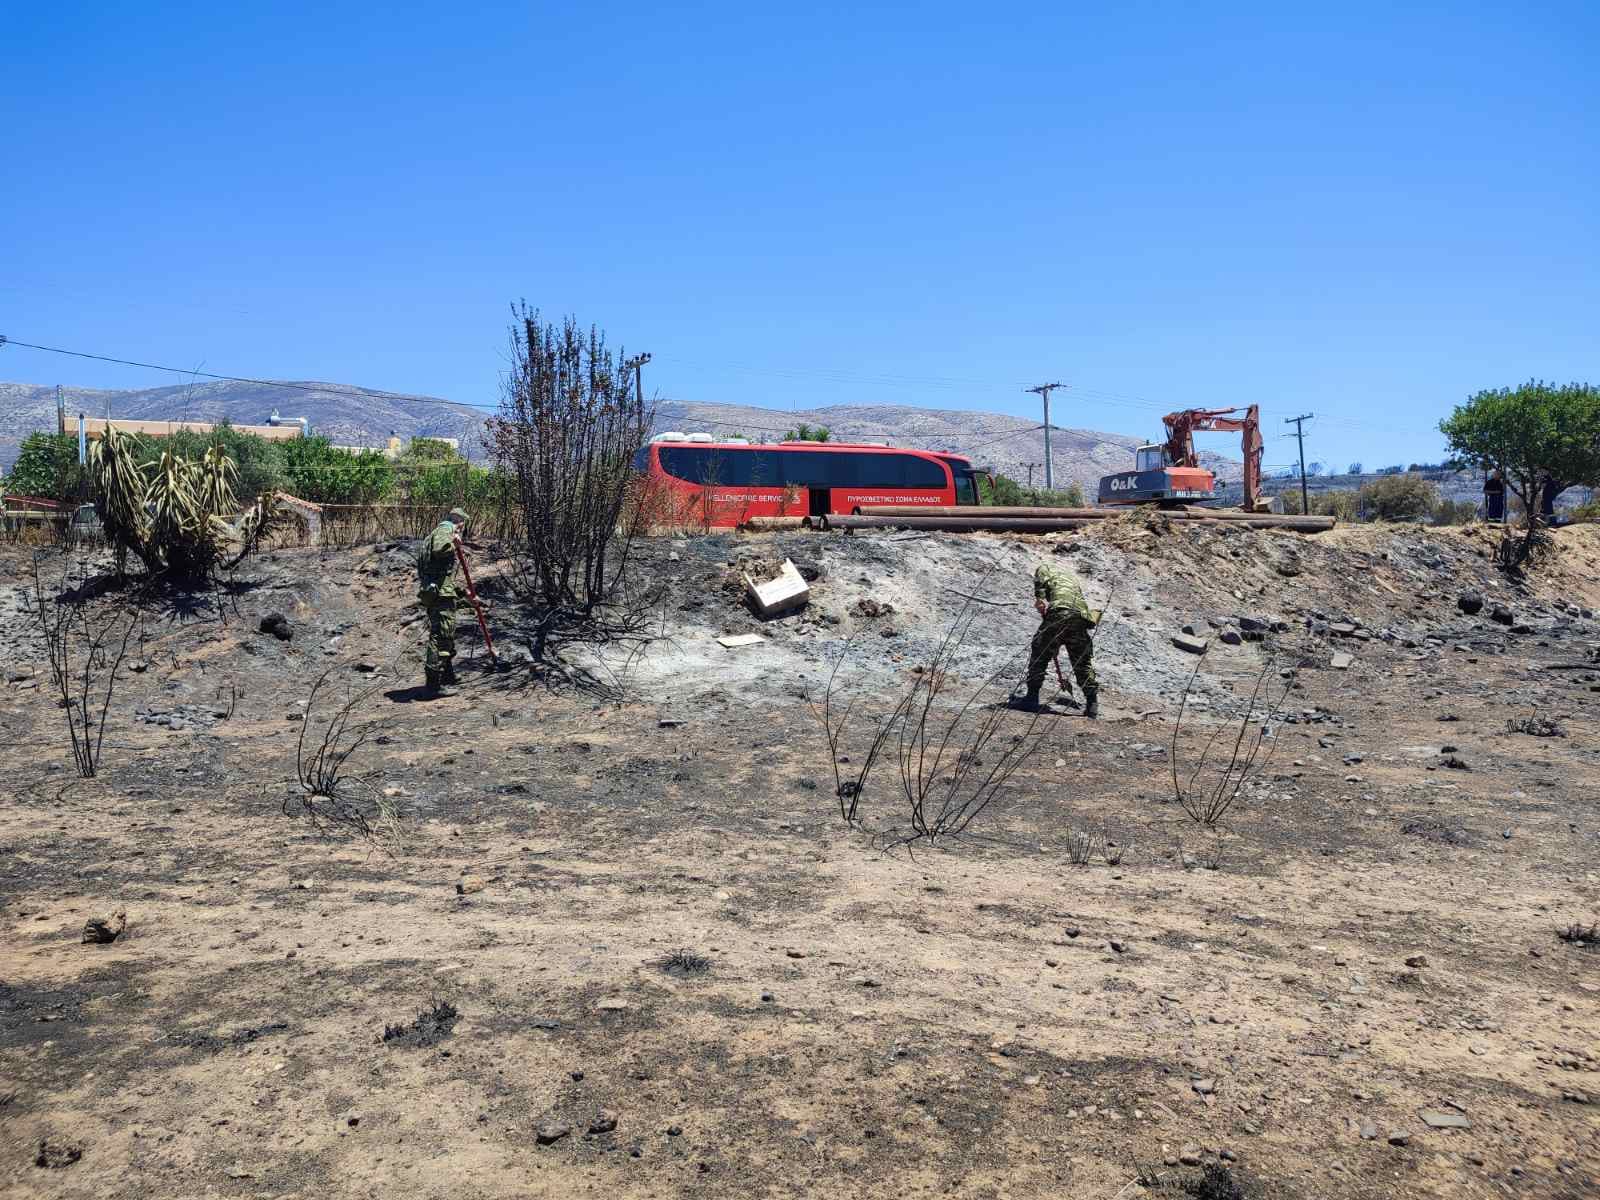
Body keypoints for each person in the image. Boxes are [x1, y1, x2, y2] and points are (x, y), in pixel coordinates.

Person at [1015, 561, 1099, 718]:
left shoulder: (1044, 568)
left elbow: (1040, 585)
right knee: (1081, 661)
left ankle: (1031, 698)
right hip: (1081, 618)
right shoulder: (1071, 578)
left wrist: (1039, 600)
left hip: (1059, 613)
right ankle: (1092, 703)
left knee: (1040, 652)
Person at [417, 507, 471, 697]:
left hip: (436, 590)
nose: (462, 529)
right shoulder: (445, 530)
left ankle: (447, 676)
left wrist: (464, 592)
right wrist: (454, 544)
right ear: (459, 521)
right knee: (441, 635)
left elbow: (440, 576)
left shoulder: (435, 533)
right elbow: (441, 550)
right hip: (440, 593)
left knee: (446, 633)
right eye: (463, 525)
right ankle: (433, 685)